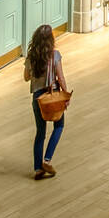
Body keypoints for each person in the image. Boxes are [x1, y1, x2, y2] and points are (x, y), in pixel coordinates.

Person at [23, 24, 68, 180]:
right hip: (53, 97)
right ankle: (47, 160)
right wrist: (66, 95)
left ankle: (37, 169)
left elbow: (26, 77)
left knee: (40, 133)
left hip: (38, 99)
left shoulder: (31, 57)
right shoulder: (55, 56)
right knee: (59, 125)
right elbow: (60, 77)